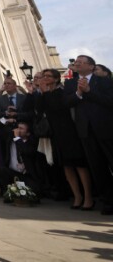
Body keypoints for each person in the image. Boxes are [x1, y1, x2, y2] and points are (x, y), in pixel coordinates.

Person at [64, 55, 113, 215]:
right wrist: (78, 93)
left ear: (91, 67)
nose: (76, 63)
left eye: (81, 62)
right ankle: (108, 200)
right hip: (85, 131)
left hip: (105, 128)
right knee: (97, 167)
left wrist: (89, 92)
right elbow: (67, 103)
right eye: (76, 62)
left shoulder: (104, 81)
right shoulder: (71, 83)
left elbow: (109, 101)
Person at [38, 68, 93, 209]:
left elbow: (58, 106)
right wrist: (42, 93)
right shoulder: (44, 94)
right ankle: (77, 196)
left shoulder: (61, 92)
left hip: (70, 132)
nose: (45, 78)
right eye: (44, 76)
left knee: (79, 165)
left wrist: (45, 93)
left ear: (56, 79)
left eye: (48, 76)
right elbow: (39, 110)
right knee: (66, 166)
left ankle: (88, 197)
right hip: (57, 134)